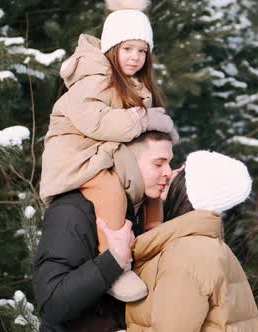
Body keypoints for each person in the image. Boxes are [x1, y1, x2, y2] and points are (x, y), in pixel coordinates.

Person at [39, 0, 178, 302]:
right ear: (112, 48)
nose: (136, 57)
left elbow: (149, 129)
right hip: (77, 157)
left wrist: (164, 128)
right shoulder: (92, 78)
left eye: (142, 51)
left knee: (151, 183)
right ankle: (115, 258)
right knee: (111, 189)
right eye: (128, 49)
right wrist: (143, 118)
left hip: (104, 151)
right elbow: (98, 122)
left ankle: (154, 236)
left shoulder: (133, 83)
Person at [33, 132, 174, 331]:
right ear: (130, 164)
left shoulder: (139, 210)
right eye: (158, 164)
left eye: (170, 163)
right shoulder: (73, 210)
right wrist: (113, 260)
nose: (168, 172)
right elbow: (51, 303)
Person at [126, 151, 258, 332]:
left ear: (192, 188)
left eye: (181, 169)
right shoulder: (203, 246)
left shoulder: (187, 253)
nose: (170, 173)